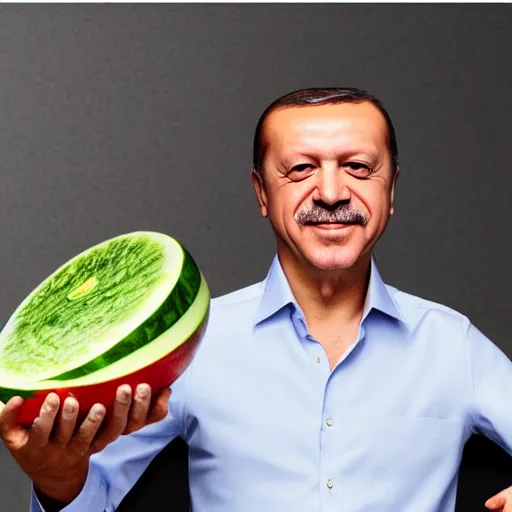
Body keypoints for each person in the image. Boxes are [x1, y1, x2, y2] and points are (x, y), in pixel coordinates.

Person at [1, 87, 512, 512]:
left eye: (357, 167)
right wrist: (58, 480)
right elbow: (96, 500)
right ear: (262, 193)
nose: (331, 193)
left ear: (391, 190)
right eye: (300, 170)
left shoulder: (452, 344)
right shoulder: (189, 344)